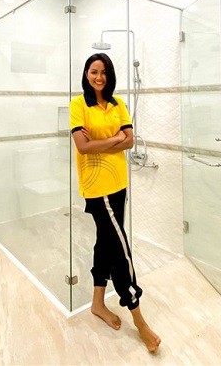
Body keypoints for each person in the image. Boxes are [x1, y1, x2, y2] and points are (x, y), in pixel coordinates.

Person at [69, 53, 161, 353]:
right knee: (121, 251)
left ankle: (98, 303)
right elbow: (83, 148)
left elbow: (130, 140)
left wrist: (102, 142)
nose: (99, 77)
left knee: (106, 242)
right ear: (86, 74)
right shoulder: (78, 105)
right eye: (94, 71)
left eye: (104, 72)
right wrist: (113, 140)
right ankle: (140, 320)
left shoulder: (118, 103)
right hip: (97, 187)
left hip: (119, 183)